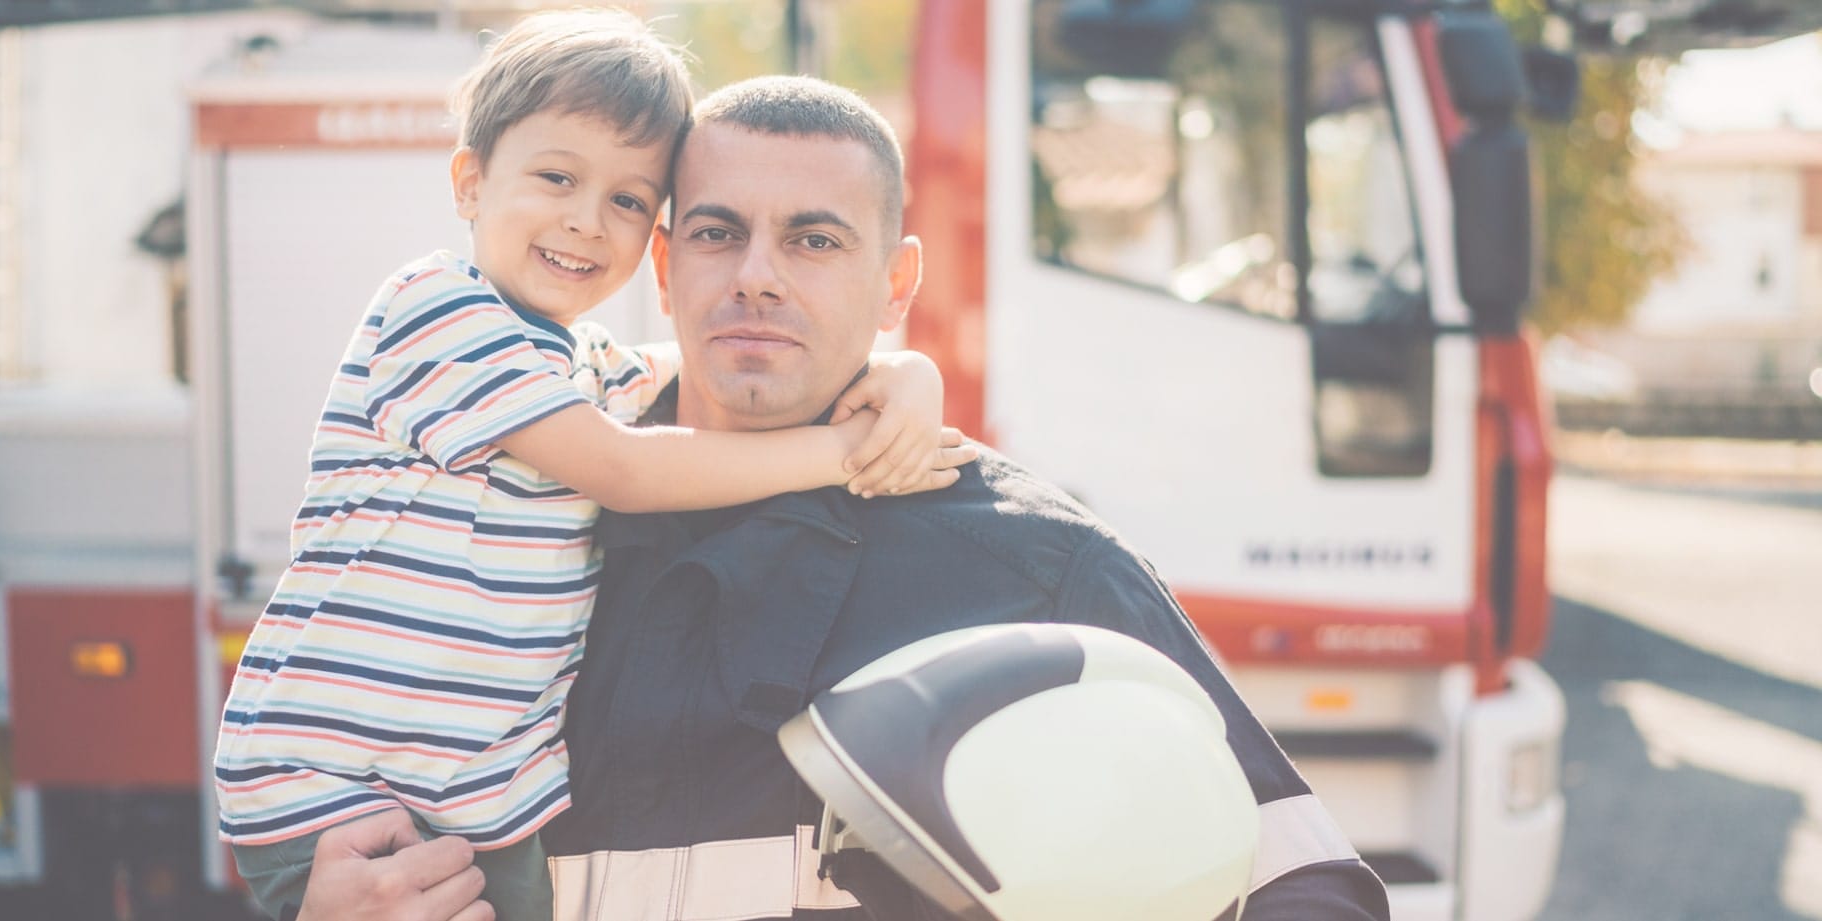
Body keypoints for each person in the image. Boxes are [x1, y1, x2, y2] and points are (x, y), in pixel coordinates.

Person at [290, 75, 1391, 920]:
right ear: (665, 270)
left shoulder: (1035, 570)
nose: (757, 274)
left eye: (815, 239)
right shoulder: (516, 520)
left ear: (896, 284)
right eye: (718, 233)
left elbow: (1302, 887)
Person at [212, 15, 972, 921]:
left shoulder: (583, 362)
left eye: (626, 199)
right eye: (557, 177)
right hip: (342, 781)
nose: (585, 219)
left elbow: (728, 364)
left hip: (465, 789)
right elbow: (625, 468)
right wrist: (845, 453)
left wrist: (904, 372)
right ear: (470, 180)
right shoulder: (435, 309)